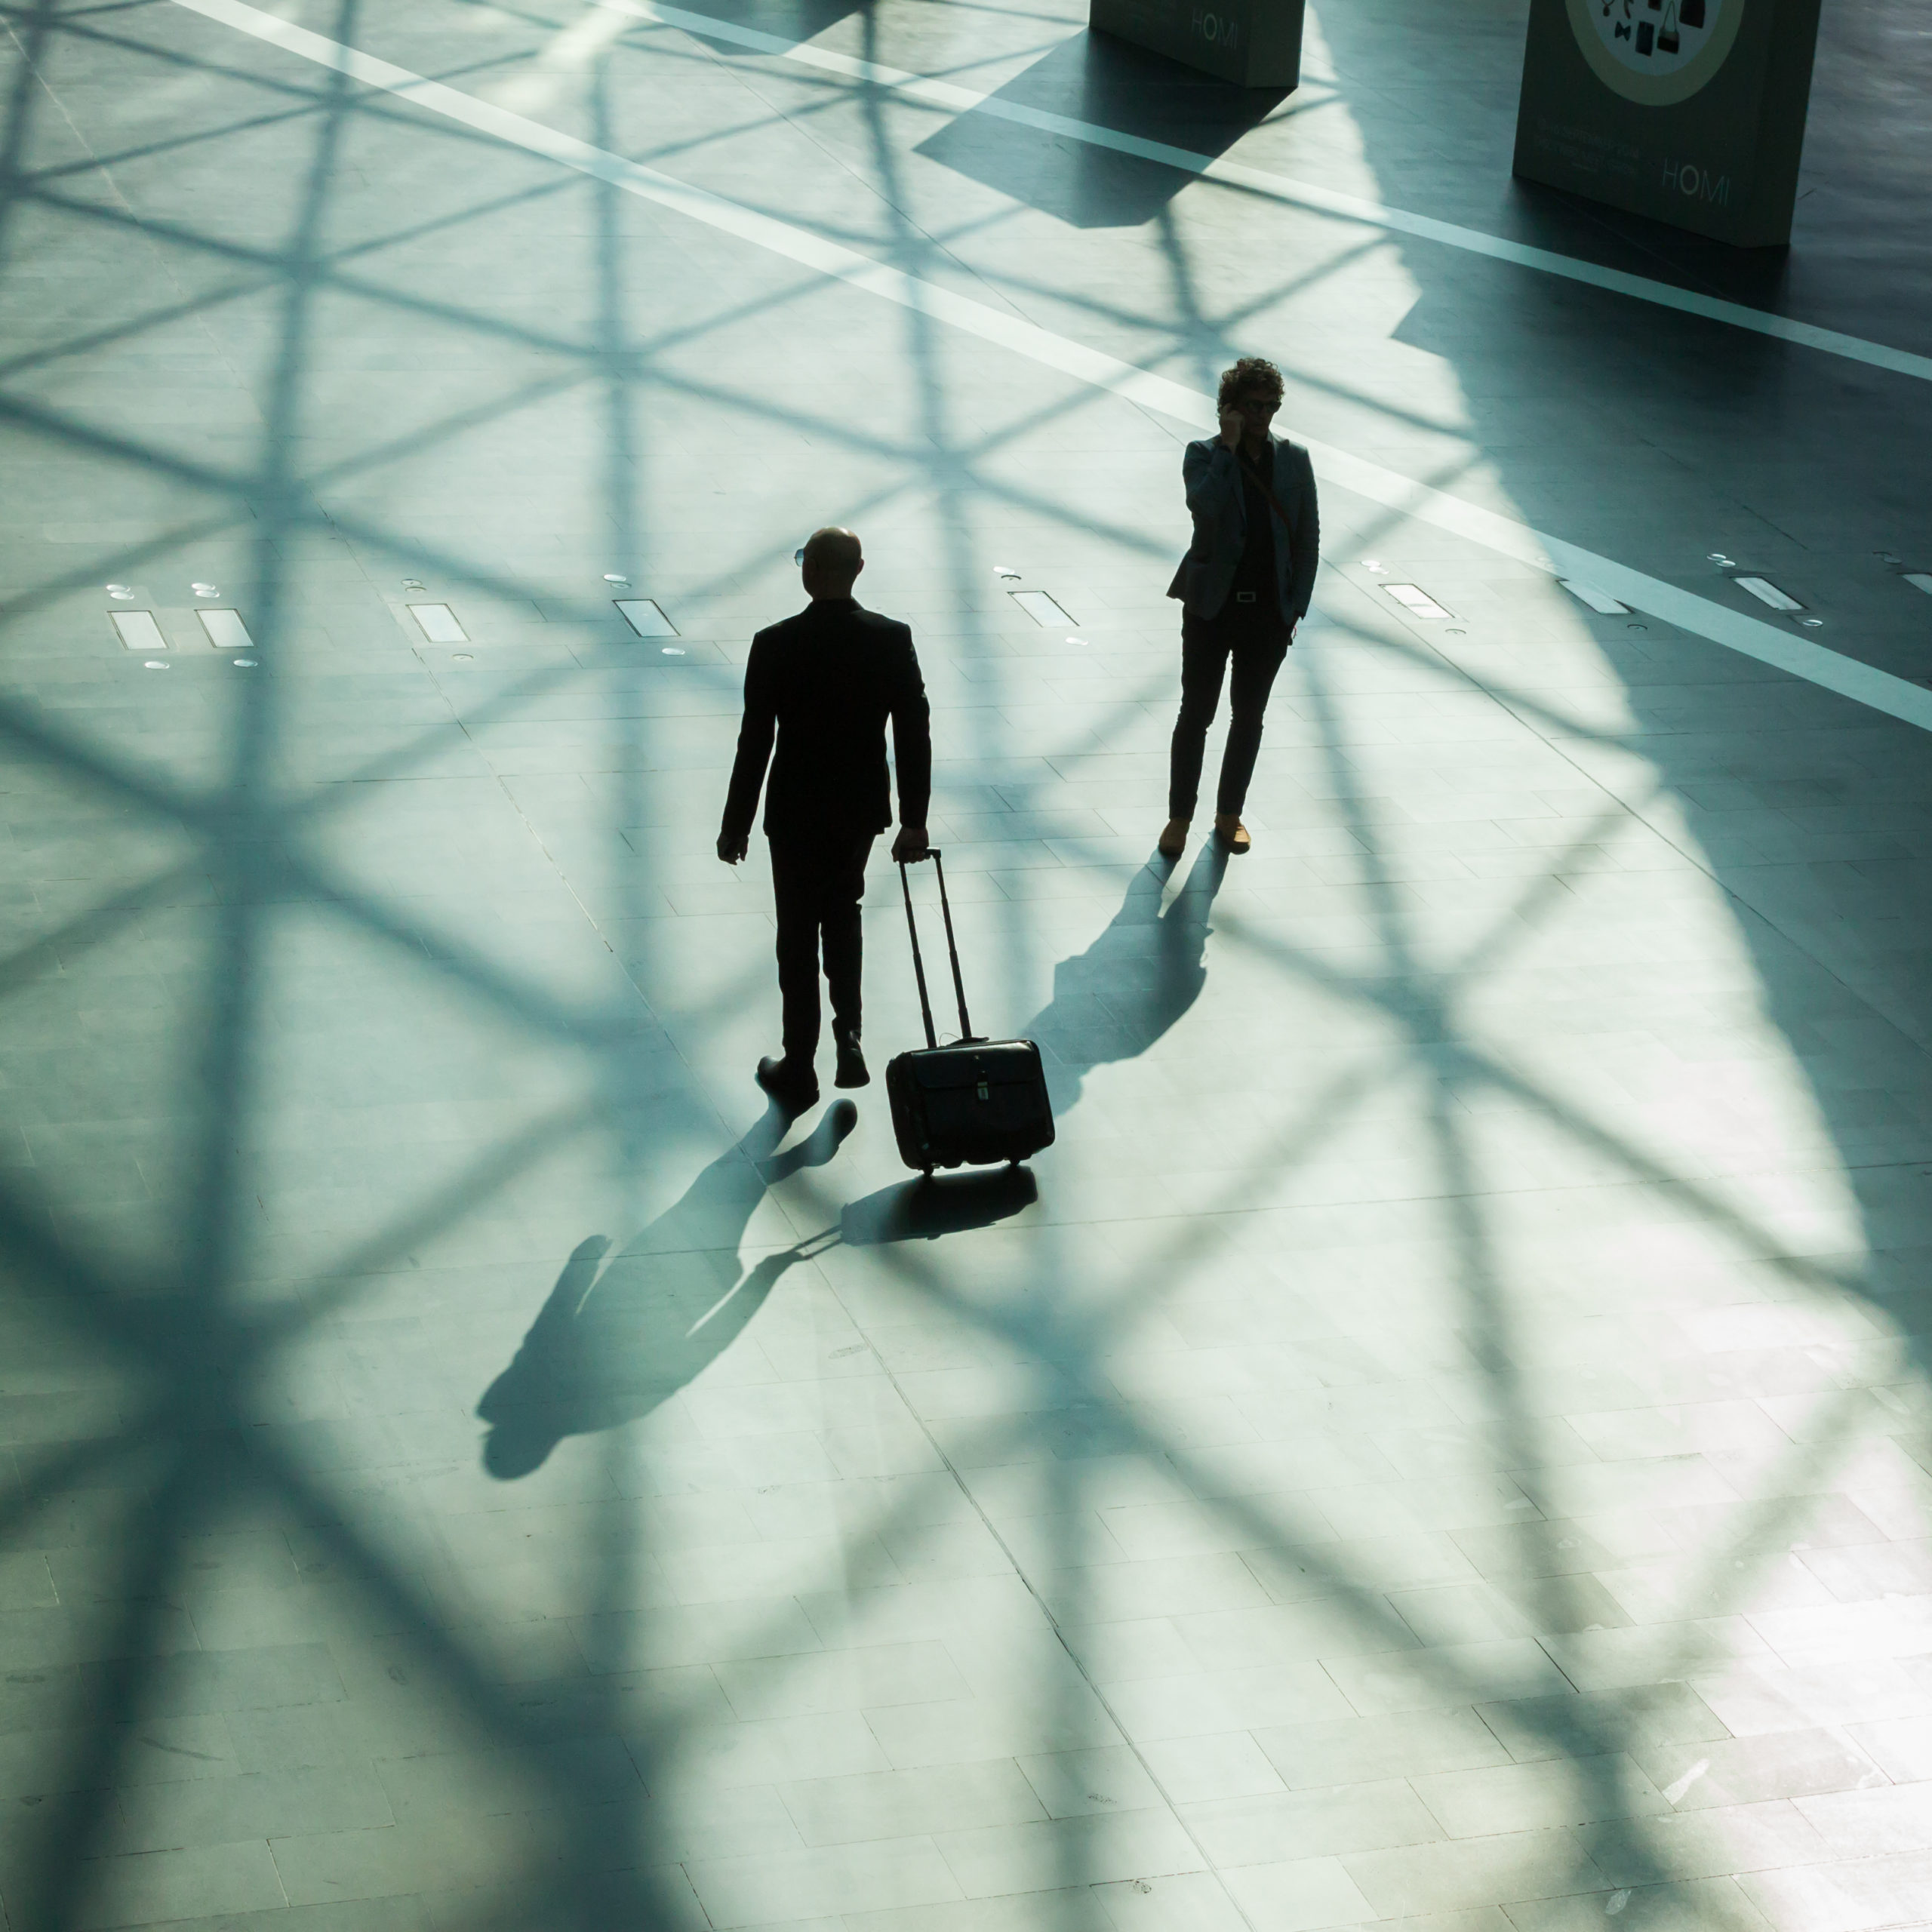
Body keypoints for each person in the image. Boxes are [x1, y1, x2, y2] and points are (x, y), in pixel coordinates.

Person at [718, 528, 931, 1112]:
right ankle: (850, 1029)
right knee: (844, 911)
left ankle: (800, 1064)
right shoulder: (892, 640)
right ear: (859, 569)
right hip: (859, 808)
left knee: (796, 934)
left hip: (794, 810)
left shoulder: (776, 644)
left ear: (808, 571)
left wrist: (735, 824)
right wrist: (914, 820)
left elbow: (754, 742)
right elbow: (913, 733)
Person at [1161, 356, 1320, 859]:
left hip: (1268, 614)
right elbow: (1204, 510)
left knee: (1249, 716)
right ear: (1230, 408)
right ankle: (1179, 818)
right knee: (1196, 713)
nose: (1264, 416)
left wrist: (1295, 606)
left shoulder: (1294, 459)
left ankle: (1229, 814)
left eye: (1272, 407)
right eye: (1254, 406)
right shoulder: (1203, 455)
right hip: (1212, 608)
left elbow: (1308, 537)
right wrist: (1229, 449)